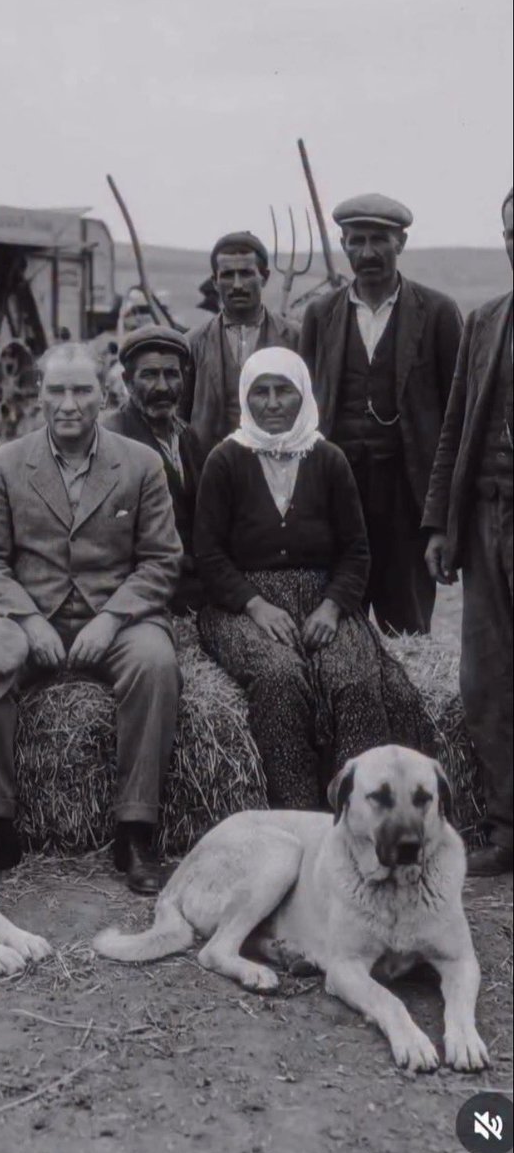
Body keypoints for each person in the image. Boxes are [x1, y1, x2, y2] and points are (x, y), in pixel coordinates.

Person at [0, 342, 183, 894]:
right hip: (30, 613)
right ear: (38, 395)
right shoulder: (3, 464)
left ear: (106, 394)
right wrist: (27, 620)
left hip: (119, 617)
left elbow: (161, 560)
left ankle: (136, 831)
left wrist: (113, 618)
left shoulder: (141, 464)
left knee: (156, 663)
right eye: (57, 390)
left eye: (82, 391)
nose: (69, 404)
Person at [194, 348, 427, 809]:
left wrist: (333, 606)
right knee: (280, 676)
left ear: (304, 395)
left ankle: (360, 811)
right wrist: (254, 604)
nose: (273, 402)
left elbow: (357, 550)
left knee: (354, 679)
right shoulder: (225, 460)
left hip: (323, 599)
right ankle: (299, 815)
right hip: (244, 605)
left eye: (285, 390)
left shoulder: (328, 459)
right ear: (245, 397)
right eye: (261, 391)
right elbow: (208, 553)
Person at [300, 194, 462, 635]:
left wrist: (443, 518)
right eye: (356, 241)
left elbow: (457, 417)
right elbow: (305, 412)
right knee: (338, 625)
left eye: (379, 240)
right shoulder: (320, 314)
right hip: (338, 494)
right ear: (343, 244)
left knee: (406, 627)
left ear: (401, 243)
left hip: (407, 501)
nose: (367, 253)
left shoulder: (439, 313)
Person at [422, 188, 514, 877]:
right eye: (513, 233)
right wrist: (440, 525)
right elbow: (454, 429)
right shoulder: (487, 322)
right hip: (486, 517)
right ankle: (507, 828)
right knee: (486, 680)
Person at [103, 324, 204, 611]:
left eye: (171, 374)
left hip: (188, 581)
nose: (162, 387)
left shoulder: (188, 436)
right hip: (138, 586)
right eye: (149, 374)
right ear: (127, 380)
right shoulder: (110, 439)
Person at [184, 231, 299, 465]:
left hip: (280, 467)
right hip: (211, 469)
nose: (236, 285)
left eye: (246, 274)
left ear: (264, 277)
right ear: (215, 281)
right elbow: (180, 419)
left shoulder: (296, 338)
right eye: (227, 275)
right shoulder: (192, 344)